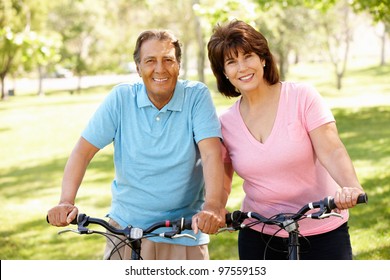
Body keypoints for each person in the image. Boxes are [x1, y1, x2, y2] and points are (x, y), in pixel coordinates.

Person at [47, 29, 227, 260]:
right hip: (125, 230)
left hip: (185, 232)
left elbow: (211, 154)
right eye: (150, 61)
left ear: (179, 65)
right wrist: (65, 201)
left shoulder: (196, 96)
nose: (160, 69)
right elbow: (83, 152)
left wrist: (212, 206)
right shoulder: (121, 99)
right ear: (138, 68)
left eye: (168, 60)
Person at [207, 19, 366, 260]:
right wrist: (216, 208)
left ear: (263, 58)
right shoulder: (226, 123)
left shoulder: (302, 97)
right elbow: (222, 180)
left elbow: (332, 150)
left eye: (248, 56)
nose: (242, 67)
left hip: (322, 226)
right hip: (259, 234)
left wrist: (351, 187)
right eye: (231, 62)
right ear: (225, 73)